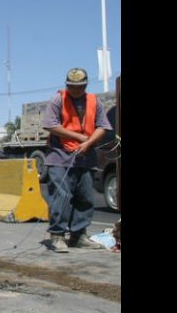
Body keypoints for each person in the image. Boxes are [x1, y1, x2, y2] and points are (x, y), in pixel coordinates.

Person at [41, 68, 112, 253]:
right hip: (60, 156)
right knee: (62, 196)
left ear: (85, 85)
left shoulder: (94, 102)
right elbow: (50, 124)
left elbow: (103, 126)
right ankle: (57, 235)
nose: (75, 90)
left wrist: (88, 143)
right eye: (72, 87)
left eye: (79, 87)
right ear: (67, 85)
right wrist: (79, 138)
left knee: (85, 197)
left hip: (85, 157)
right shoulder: (58, 100)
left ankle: (79, 235)